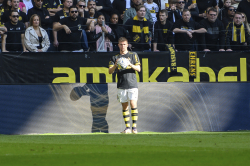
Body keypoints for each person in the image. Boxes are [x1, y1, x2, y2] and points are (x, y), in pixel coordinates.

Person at [109, 37, 141, 134]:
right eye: (121, 44)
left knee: (133, 104)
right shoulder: (114, 57)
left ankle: (134, 128)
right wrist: (115, 65)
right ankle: (127, 128)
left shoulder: (133, 55)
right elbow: (110, 71)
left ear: (127, 45)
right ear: (118, 45)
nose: (122, 46)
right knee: (125, 106)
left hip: (132, 83)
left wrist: (129, 64)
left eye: (124, 44)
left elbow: (139, 69)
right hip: (121, 84)